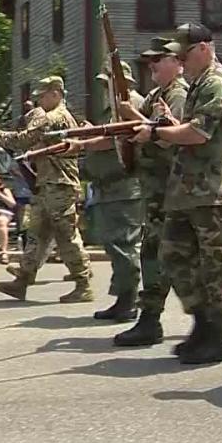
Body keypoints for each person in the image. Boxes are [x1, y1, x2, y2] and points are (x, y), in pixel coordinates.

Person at [130, 23, 222, 364]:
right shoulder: (198, 84)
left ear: (204, 49)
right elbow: (182, 132)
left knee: (212, 266)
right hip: (188, 191)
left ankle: (218, 336)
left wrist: (154, 134)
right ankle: (202, 324)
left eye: (184, 54)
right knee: (175, 256)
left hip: (212, 192)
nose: (181, 61)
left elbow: (198, 133)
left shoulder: (216, 82)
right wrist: (160, 128)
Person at [76, 38, 188, 346]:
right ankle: (149, 319)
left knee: (185, 259)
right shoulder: (155, 96)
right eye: (150, 60)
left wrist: (129, 115)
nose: (152, 64)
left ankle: (212, 322)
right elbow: (126, 137)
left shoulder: (177, 94)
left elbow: (169, 136)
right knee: (154, 255)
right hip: (154, 189)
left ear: (177, 63)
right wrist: (85, 138)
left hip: (172, 189)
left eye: (160, 59)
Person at [0, 75, 94, 302]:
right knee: (37, 233)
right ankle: (22, 280)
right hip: (49, 184)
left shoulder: (54, 117)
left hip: (59, 185)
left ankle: (83, 284)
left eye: (42, 96)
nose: (39, 101)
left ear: (56, 93)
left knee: (66, 235)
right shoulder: (60, 116)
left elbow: (25, 138)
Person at [74, 61, 144, 322]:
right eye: (104, 83)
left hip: (124, 185)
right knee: (114, 244)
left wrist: (82, 142)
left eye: (110, 82)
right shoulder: (112, 108)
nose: (106, 87)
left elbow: (115, 138)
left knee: (124, 244)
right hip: (110, 187)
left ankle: (130, 300)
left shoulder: (132, 104)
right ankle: (122, 297)